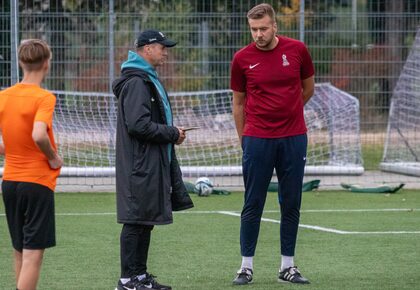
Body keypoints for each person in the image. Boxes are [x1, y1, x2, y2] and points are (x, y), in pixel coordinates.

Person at [230, 3, 315, 285]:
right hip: (257, 140)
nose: (258, 34)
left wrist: (289, 112)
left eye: (263, 28)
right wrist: (246, 139)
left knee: (291, 202)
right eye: (254, 29)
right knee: (253, 202)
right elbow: (239, 104)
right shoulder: (241, 59)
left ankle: (287, 267)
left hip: (293, 138)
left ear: (275, 26)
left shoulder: (297, 50)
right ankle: (245, 267)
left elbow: (308, 88)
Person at [112, 29, 194, 290]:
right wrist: (171, 132)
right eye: (162, 47)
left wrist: (173, 134)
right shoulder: (138, 82)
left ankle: (139, 277)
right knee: (136, 221)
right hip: (140, 164)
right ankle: (127, 280)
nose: (165, 52)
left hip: (148, 162)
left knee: (144, 221)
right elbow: (138, 125)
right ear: (147, 49)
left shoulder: (145, 79)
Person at [0, 39, 63, 290]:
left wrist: (12, 150)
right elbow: (38, 134)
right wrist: (52, 157)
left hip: (10, 182)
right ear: (47, 64)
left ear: (20, 62)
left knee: (20, 250)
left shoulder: (4, 97)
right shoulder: (44, 98)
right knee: (34, 254)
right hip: (37, 183)